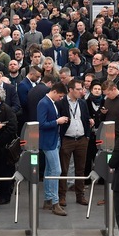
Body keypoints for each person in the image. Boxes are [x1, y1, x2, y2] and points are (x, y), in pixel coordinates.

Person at [57, 78, 92, 206]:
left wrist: (87, 136)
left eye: (81, 89)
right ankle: (62, 196)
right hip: (67, 139)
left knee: (80, 169)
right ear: (70, 90)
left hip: (81, 139)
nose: (81, 91)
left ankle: (80, 195)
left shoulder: (82, 103)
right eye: (78, 89)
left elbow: (86, 118)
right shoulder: (61, 103)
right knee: (63, 169)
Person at [37, 81, 69, 216]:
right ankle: (55, 202)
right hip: (49, 142)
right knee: (57, 170)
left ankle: (48, 199)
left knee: (50, 170)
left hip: (53, 140)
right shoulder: (44, 103)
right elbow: (41, 123)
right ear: (54, 92)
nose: (60, 99)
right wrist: (57, 121)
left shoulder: (50, 102)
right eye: (60, 96)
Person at [0, 85, 18, 205]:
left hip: (5, 147)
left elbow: (12, 127)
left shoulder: (6, 109)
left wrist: (0, 140)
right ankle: (0, 194)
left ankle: (5, 195)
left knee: (6, 171)